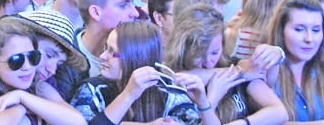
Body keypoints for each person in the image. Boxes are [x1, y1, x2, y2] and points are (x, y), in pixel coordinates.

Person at [71, 21, 218, 125]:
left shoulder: (167, 92)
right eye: (105, 48)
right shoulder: (92, 90)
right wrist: (128, 94)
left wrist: (202, 102)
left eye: (112, 52)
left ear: (135, 57)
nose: (102, 56)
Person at [0, 19, 85, 125]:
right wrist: (21, 108)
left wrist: (22, 97)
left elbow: (78, 122)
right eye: (17, 60)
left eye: (33, 57)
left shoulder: (38, 84)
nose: (27, 67)